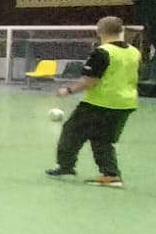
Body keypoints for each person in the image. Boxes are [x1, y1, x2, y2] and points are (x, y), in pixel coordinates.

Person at [47, 15, 142, 188]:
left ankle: (66, 166)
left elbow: (90, 81)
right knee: (102, 139)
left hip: (99, 103)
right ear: (121, 30)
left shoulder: (102, 52)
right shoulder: (134, 52)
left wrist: (67, 90)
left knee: (71, 131)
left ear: (99, 31)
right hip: (126, 103)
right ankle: (111, 175)